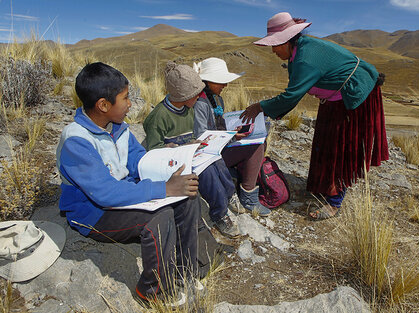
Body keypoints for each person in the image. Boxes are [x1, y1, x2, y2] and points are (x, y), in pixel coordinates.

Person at [56, 62, 202, 306]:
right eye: (125, 98)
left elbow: (138, 161)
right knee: (159, 217)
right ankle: (153, 290)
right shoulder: (76, 140)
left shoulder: (118, 128)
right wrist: (164, 188)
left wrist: (164, 158)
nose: (130, 104)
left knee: (187, 198)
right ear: (103, 105)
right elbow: (105, 193)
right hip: (94, 213)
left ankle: (185, 270)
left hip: (123, 197)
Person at [241, 12, 389, 220]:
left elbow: (291, 96)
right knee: (324, 141)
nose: (273, 50)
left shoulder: (305, 58)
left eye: (275, 45)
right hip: (334, 99)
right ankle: (322, 187)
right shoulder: (298, 51)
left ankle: (334, 202)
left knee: (338, 148)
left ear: (287, 41)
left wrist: (260, 107)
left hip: (353, 96)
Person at [143, 61, 241, 238]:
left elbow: (190, 135)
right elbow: (153, 151)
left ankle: (228, 194)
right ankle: (219, 214)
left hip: (188, 154)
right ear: (182, 95)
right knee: (208, 172)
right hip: (173, 164)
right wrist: (177, 148)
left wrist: (195, 143)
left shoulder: (188, 109)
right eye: (196, 94)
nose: (200, 97)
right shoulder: (158, 117)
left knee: (216, 159)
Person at [193, 57, 271, 217]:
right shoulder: (200, 103)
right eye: (220, 81)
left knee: (259, 142)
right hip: (208, 155)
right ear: (207, 81)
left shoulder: (216, 99)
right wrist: (232, 137)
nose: (225, 85)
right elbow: (203, 138)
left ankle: (243, 185)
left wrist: (234, 132)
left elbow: (219, 127)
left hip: (220, 148)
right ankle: (248, 196)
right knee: (255, 146)